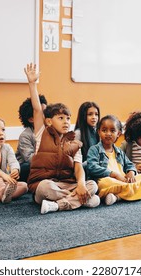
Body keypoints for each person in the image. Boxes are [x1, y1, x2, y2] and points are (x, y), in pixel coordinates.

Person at [24, 63, 100, 214]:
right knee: (47, 187)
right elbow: (38, 110)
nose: (66, 121)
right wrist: (32, 84)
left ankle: (58, 205)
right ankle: (77, 199)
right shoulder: (41, 133)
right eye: (61, 118)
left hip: (66, 184)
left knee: (92, 185)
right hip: (45, 185)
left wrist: (80, 184)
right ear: (49, 121)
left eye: (68, 118)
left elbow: (78, 168)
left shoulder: (74, 142)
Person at [87, 115, 141, 206]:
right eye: (104, 130)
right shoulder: (94, 150)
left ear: (118, 134)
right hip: (108, 180)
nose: (108, 133)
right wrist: (114, 174)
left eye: (112, 131)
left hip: (122, 180)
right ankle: (133, 191)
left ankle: (116, 197)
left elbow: (129, 164)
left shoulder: (119, 151)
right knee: (105, 182)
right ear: (99, 132)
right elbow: (92, 167)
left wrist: (131, 172)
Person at [16, 94, 48, 182]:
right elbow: (30, 159)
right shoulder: (25, 135)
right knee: (27, 167)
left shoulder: (51, 129)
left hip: (47, 165)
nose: (47, 115)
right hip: (28, 167)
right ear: (31, 119)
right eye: (43, 113)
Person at [74, 101, 100, 168]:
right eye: (90, 114)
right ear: (83, 116)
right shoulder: (78, 134)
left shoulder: (99, 132)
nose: (94, 117)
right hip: (84, 170)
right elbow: (76, 161)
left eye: (96, 114)